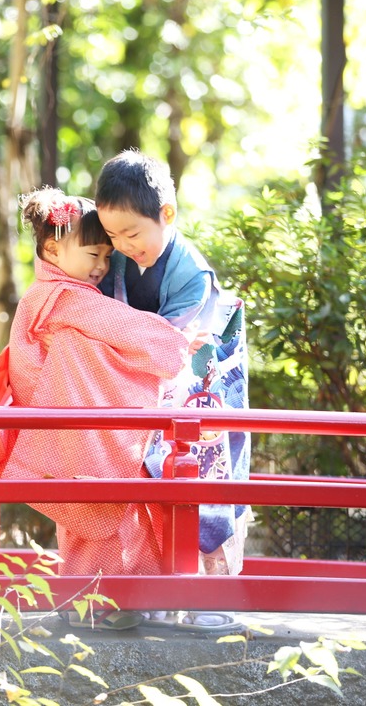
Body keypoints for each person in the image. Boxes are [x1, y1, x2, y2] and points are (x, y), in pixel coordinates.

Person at [0, 187, 198, 632]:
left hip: (66, 429)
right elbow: (140, 337)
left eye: (106, 257)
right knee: (105, 519)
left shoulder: (46, 294)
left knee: (91, 525)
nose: (101, 266)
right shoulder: (67, 298)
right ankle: (112, 608)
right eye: (93, 253)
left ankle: (95, 608)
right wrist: (179, 342)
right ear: (53, 248)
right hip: (74, 430)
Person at [95, 148, 251, 634]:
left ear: (168, 214)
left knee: (206, 480)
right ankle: (150, 593)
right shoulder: (122, 260)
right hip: (149, 380)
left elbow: (172, 343)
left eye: (133, 233)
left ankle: (213, 599)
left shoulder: (192, 273)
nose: (122, 245)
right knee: (142, 480)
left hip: (201, 379)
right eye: (113, 235)